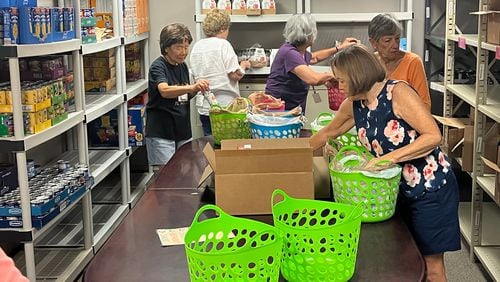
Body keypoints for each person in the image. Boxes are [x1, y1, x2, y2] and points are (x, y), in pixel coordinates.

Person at [310, 44, 460, 282]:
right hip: (394, 191)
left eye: (341, 80)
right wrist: (288, 155)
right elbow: (329, 131)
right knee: (406, 260)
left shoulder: (398, 93)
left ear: (356, 75)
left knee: (432, 268)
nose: (338, 86)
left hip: (430, 189)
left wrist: (385, 159)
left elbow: (433, 136)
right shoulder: (354, 103)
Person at [146, 23, 209, 167]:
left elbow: (183, 95)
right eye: (178, 47)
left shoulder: (182, 66)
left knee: (182, 177)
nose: (183, 52)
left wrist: (197, 89)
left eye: (186, 47)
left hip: (182, 132)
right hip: (162, 133)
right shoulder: (158, 66)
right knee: (163, 177)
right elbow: (165, 91)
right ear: (166, 48)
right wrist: (192, 86)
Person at [265, 13, 358, 111]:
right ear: (310, 35)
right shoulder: (289, 53)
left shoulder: (299, 50)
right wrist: (335, 76)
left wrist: (340, 48)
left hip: (292, 105)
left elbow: (315, 58)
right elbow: (313, 79)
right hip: (279, 109)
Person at [189, 9, 251, 136]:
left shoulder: (197, 46)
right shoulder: (223, 45)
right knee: (227, 144)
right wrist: (243, 66)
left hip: (205, 105)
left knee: (210, 142)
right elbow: (235, 75)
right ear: (223, 28)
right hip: (225, 107)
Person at [368, 13, 431, 110]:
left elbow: (425, 105)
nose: (395, 45)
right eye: (388, 40)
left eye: (397, 39)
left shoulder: (413, 62)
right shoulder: (370, 63)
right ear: (373, 43)